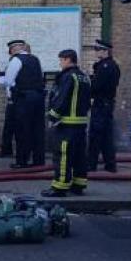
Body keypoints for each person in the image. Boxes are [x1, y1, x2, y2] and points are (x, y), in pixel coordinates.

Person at [42, 49, 91, 197]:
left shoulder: (68, 77)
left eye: (61, 60)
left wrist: (52, 116)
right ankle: (78, 184)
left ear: (68, 59)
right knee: (79, 156)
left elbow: (61, 98)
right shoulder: (84, 77)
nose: (60, 63)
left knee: (63, 155)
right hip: (81, 123)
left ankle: (60, 187)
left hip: (67, 124)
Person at [0, 39, 45, 169]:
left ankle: (22, 160)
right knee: (37, 130)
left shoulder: (16, 60)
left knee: (22, 130)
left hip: (23, 99)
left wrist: (3, 81)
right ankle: (38, 159)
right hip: (38, 97)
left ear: (13, 49)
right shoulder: (35, 59)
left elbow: (8, 81)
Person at [88, 39, 121, 173]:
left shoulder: (104, 67)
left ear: (105, 51)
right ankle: (110, 164)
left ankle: (91, 164)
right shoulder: (113, 65)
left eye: (98, 49)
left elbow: (96, 86)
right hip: (108, 103)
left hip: (101, 103)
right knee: (107, 135)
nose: (96, 52)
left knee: (95, 135)